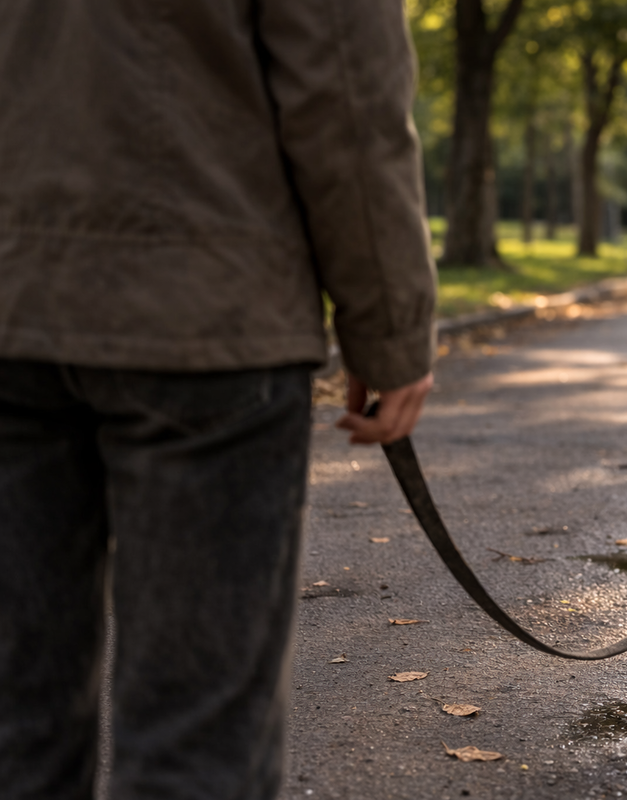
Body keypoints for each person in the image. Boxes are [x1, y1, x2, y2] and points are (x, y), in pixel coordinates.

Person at [0, 1, 436, 796]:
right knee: (192, 745)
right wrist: (388, 330)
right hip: (203, 312)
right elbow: (344, 94)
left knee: (12, 727)